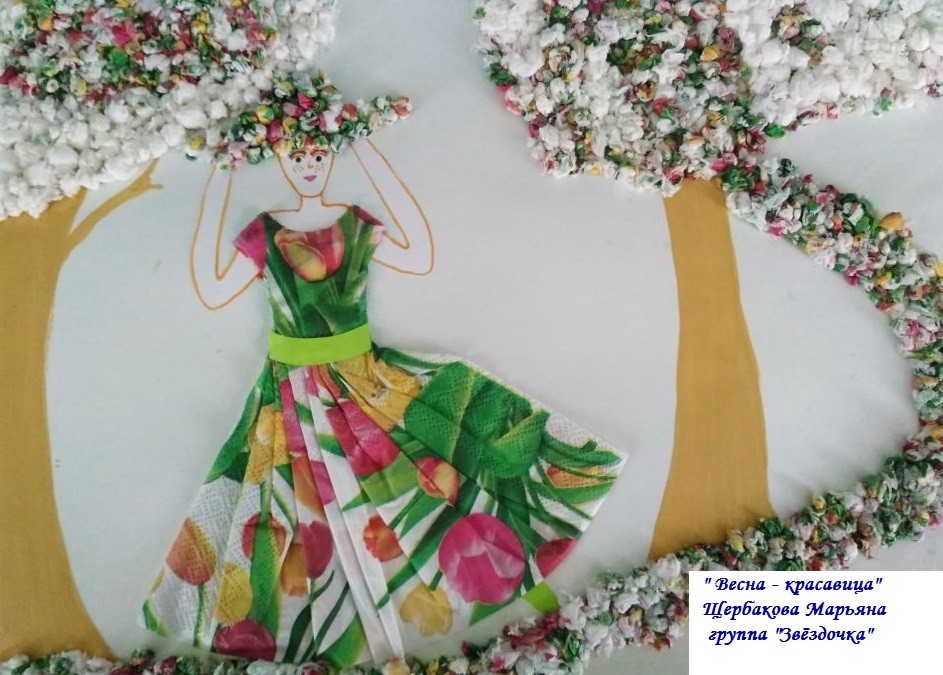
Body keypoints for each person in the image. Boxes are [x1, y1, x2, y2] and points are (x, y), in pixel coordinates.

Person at [143, 137, 627, 666]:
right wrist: (219, 178)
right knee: (290, 497)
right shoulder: (263, 239)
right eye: (297, 157)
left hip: (364, 378)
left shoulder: (356, 228)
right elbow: (215, 287)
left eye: (319, 155)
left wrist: (368, 149)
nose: (309, 166)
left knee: (419, 468)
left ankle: (465, 570)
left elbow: (416, 251)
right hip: (290, 387)